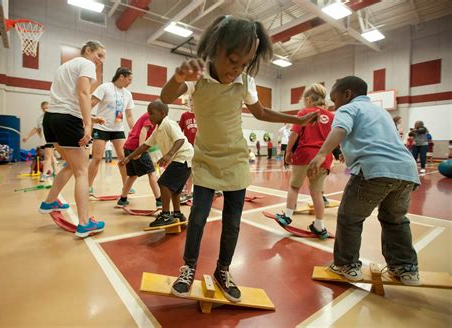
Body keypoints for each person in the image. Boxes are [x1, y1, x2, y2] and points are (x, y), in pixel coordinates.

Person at [159, 15, 318, 302]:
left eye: (244, 64)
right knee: (197, 217)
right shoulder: (197, 75)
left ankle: (223, 271)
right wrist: (178, 77)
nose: (237, 69)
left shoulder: (245, 82)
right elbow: (165, 96)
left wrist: (299, 119)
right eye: (233, 60)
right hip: (206, 159)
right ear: (217, 47)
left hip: (236, 160)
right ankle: (189, 267)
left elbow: (261, 113)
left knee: (233, 223)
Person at [307, 76, 421, 286]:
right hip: (406, 171)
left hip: (374, 170)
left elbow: (340, 130)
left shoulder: (348, 109)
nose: (334, 104)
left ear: (347, 94)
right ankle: (406, 268)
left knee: (349, 217)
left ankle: (346, 265)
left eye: (335, 98)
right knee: (395, 219)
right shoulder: (382, 112)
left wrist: (321, 154)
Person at [39, 40, 106, 238]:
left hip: (51, 119)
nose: (100, 61)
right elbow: (83, 93)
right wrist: (87, 124)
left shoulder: (65, 67)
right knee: (81, 171)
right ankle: (85, 224)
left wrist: (90, 117)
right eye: (99, 55)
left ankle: (49, 202)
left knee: (70, 164)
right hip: (68, 120)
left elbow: (65, 100)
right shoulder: (87, 64)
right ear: (88, 50)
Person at [120, 100, 193, 227]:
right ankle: (177, 214)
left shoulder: (169, 124)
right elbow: (145, 145)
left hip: (183, 157)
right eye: (148, 113)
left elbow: (180, 140)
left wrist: (168, 155)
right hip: (182, 158)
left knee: (163, 183)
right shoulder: (158, 129)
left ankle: (165, 215)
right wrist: (129, 157)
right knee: (175, 190)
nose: (149, 116)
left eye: (152, 113)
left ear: (162, 113)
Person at [275, 83, 334, 239]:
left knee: (294, 186)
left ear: (308, 99)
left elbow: (294, 134)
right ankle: (319, 226)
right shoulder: (331, 116)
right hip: (323, 157)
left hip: (304, 155)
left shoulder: (304, 112)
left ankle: (287, 215)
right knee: (317, 193)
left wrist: (288, 152)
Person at [88, 67, 136, 195]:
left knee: (123, 158)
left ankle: (126, 186)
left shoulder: (128, 94)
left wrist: (135, 130)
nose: (130, 82)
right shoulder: (105, 87)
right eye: (129, 79)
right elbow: (90, 104)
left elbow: (129, 116)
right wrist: (89, 119)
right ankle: (88, 186)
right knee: (97, 158)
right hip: (101, 127)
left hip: (117, 129)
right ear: (121, 76)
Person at [116, 112, 162, 208]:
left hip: (129, 146)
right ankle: (159, 200)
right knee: (151, 173)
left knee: (132, 175)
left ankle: (123, 199)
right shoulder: (152, 116)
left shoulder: (146, 116)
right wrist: (140, 150)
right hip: (137, 147)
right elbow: (143, 132)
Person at [22, 101, 58, 182]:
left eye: (47, 107)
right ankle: (56, 172)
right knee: (51, 156)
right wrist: (27, 136)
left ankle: (44, 174)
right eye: (44, 108)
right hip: (44, 140)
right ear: (42, 109)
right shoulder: (40, 118)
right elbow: (36, 129)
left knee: (47, 157)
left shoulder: (54, 116)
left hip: (51, 139)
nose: (45, 109)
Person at [179, 97, 197, 200]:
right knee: (188, 170)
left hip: (200, 147)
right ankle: (188, 192)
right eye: (191, 100)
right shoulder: (185, 116)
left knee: (199, 170)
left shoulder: (202, 115)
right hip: (188, 147)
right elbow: (179, 130)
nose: (193, 103)